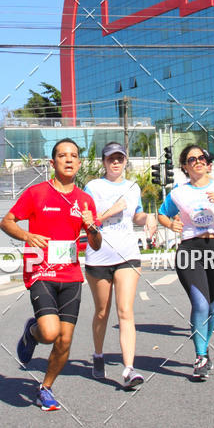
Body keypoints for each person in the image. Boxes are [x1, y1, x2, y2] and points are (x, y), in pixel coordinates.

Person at [0, 138, 101, 411]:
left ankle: (45, 388)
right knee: (49, 332)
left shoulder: (85, 200)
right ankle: (32, 332)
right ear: (52, 162)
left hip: (70, 274)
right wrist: (27, 235)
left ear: (79, 163)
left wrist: (92, 228)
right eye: (62, 155)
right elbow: (6, 221)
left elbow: (95, 244)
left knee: (65, 339)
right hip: (41, 270)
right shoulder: (36, 194)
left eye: (73, 156)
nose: (68, 159)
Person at [157, 145, 214, 380]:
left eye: (202, 157)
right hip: (189, 249)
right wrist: (170, 224)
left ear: (208, 162)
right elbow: (162, 213)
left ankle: (204, 345)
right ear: (185, 166)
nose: (198, 161)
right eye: (192, 159)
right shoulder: (178, 192)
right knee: (201, 303)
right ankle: (201, 356)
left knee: (213, 305)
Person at [83, 142, 157, 389]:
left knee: (125, 311)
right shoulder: (93, 187)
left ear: (126, 161)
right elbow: (88, 222)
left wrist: (147, 217)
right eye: (110, 159)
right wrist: (109, 211)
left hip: (127, 255)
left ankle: (128, 369)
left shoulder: (133, 187)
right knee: (102, 312)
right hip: (99, 255)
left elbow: (135, 214)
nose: (115, 162)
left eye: (120, 158)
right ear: (103, 162)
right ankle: (98, 354)